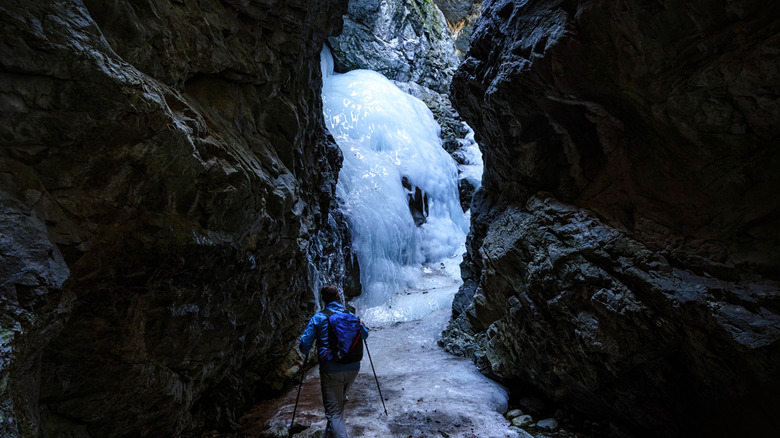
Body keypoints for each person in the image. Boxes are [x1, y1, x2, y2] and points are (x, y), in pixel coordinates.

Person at [298, 284, 369, 438]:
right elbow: (364, 335)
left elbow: (304, 347)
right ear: (338, 297)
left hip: (331, 370)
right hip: (353, 367)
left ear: (323, 300)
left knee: (334, 413)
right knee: (337, 409)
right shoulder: (350, 315)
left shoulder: (319, 318)